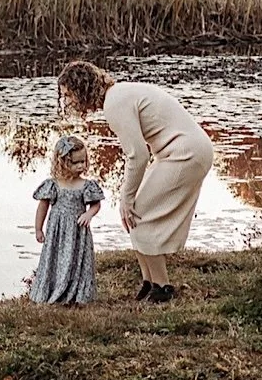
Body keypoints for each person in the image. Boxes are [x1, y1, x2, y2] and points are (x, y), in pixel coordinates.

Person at [56, 59, 214, 304]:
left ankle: (163, 288)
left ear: (81, 89)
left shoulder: (115, 103)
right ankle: (149, 282)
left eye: (69, 95)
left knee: (139, 213)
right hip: (178, 152)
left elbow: (138, 155)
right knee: (134, 214)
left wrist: (126, 197)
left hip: (186, 153)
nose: (68, 102)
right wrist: (127, 198)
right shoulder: (118, 95)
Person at [29, 134, 104, 305]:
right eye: (76, 162)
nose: (81, 166)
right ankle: (53, 289)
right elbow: (43, 207)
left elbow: (96, 204)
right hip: (57, 232)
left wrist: (89, 214)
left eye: (83, 161)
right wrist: (38, 229)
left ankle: (76, 292)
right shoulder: (53, 184)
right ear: (62, 162)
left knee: (77, 261)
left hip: (78, 232)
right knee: (56, 260)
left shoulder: (86, 185)